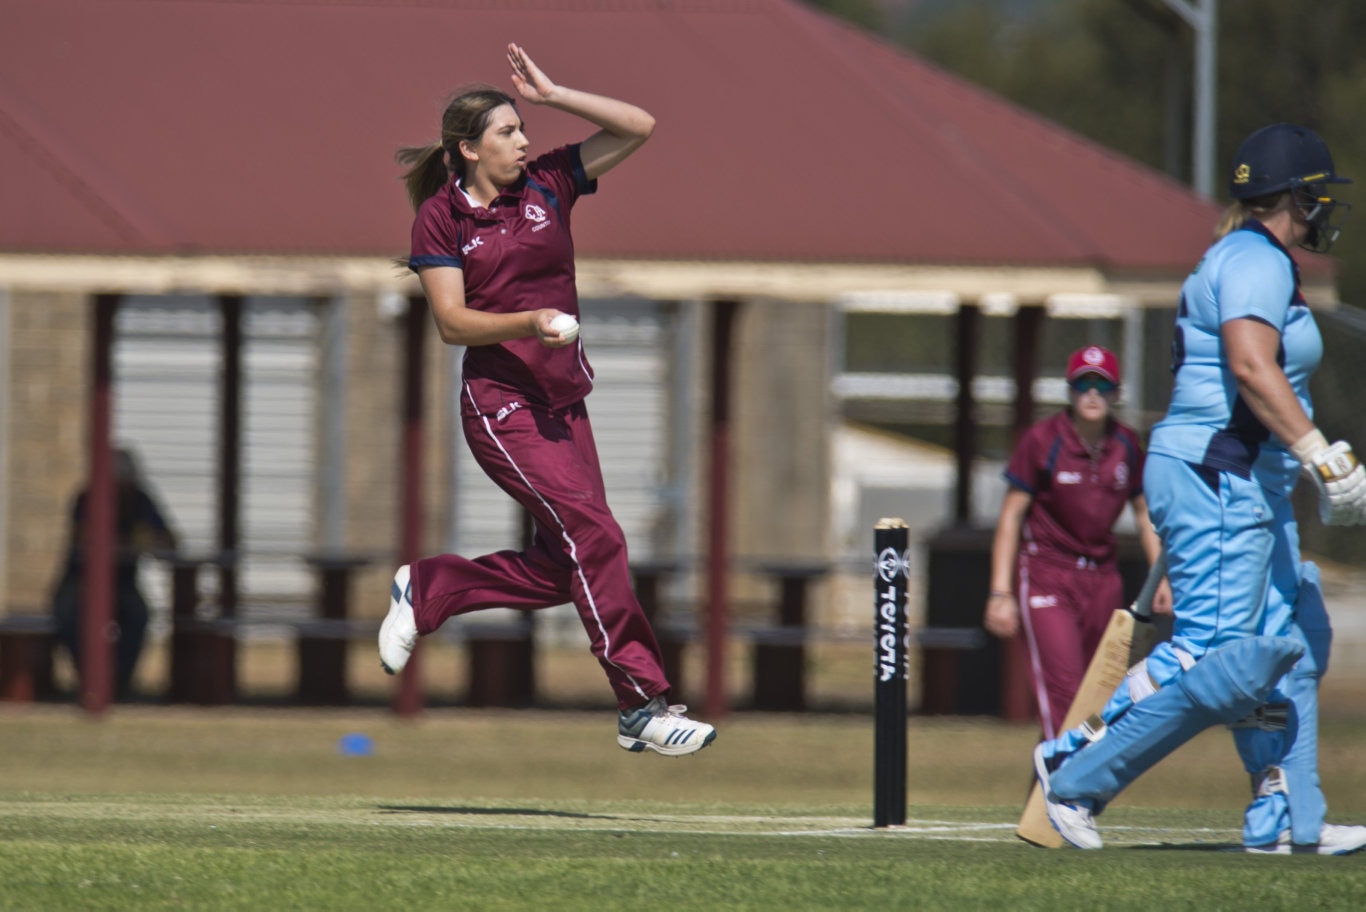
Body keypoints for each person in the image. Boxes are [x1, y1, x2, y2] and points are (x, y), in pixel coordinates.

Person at [1034, 123, 1366, 853]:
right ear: (1295, 196)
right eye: (1316, 193)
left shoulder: (1261, 259)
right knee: (1216, 659)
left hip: (1247, 478)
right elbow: (1251, 366)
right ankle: (1074, 772)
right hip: (1220, 474)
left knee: (1293, 637)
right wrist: (1320, 456)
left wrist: (1301, 462)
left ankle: (1283, 816)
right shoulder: (1253, 260)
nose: (1323, 207)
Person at [379, 44, 715, 756]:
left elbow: (638, 127)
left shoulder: (549, 183)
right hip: (501, 406)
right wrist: (529, 323)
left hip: (564, 403)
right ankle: (641, 704)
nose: (524, 140)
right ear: (467, 150)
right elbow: (451, 324)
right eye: (507, 132)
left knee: (568, 567)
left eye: (524, 127)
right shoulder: (441, 220)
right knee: (599, 539)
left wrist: (557, 93)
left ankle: (431, 587)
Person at [984, 345, 1170, 741]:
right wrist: (1000, 592)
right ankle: (1069, 788)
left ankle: (1051, 794)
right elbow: (1011, 515)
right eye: (1083, 384)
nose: (1092, 394)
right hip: (1047, 576)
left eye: (1102, 386)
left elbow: (1143, 514)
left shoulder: (1125, 444)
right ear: (1069, 391)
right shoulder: (1042, 440)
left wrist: (1162, 582)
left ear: (1116, 393)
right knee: (1064, 696)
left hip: (1103, 580)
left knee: (1097, 700)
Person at [52, 447, 179, 699]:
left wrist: (148, 540)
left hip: (123, 582)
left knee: (138, 615)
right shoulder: (88, 498)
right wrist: (127, 542)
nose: (123, 488)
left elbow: (169, 541)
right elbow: (86, 540)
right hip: (81, 581)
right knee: (67, 612)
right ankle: (88, 676)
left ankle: (119, 680)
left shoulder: (141, 501)